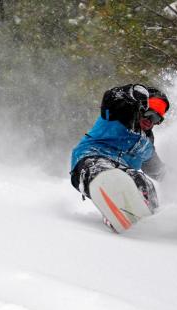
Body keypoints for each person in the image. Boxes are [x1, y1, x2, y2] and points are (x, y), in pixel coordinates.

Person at [70, 83, 169, 231]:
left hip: (123, 172)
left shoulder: (146, 142)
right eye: (149, 113)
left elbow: (157, 170)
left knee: (143, 182)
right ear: (141, 108)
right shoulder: (120, 113)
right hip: (90, 159)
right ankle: (114, 206)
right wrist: (131, 92)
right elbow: (110, 97)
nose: (150, 121)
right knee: (105, 171)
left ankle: (146, 221)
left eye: (156, 119)